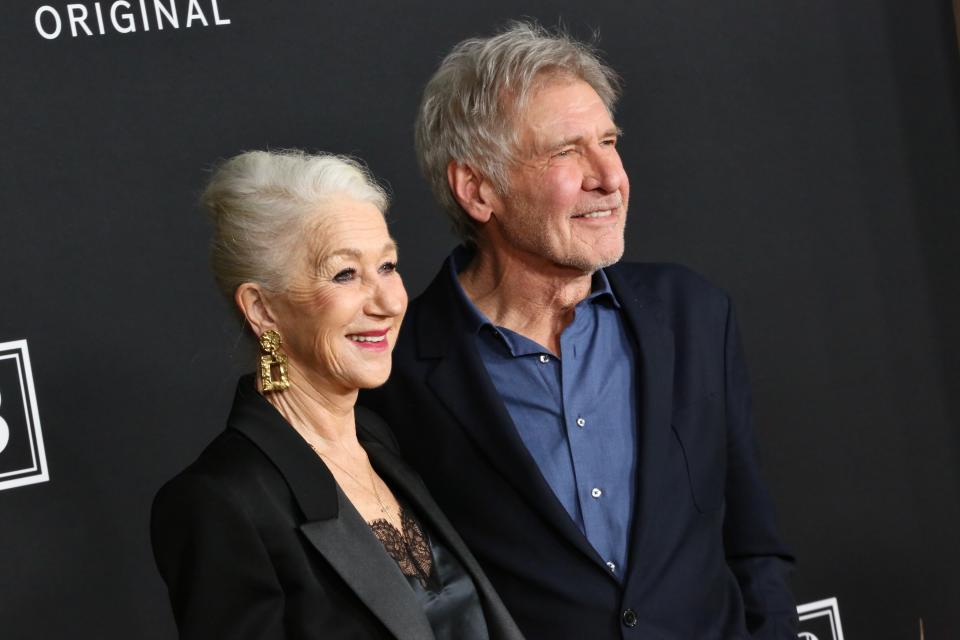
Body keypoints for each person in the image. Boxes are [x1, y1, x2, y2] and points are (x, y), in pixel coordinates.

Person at [359, 22, 799, 639]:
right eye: (567, 151)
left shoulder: (695, 315)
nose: (609, 177)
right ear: (478, 190)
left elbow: (752, 544)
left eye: (609, 141)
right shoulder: (395, 369)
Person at [150, 149, 524, 640]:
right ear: (262, 309)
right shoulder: (221, 502)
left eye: (388, 266)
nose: (390, 302)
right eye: (345, 274)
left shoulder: (377, 440)